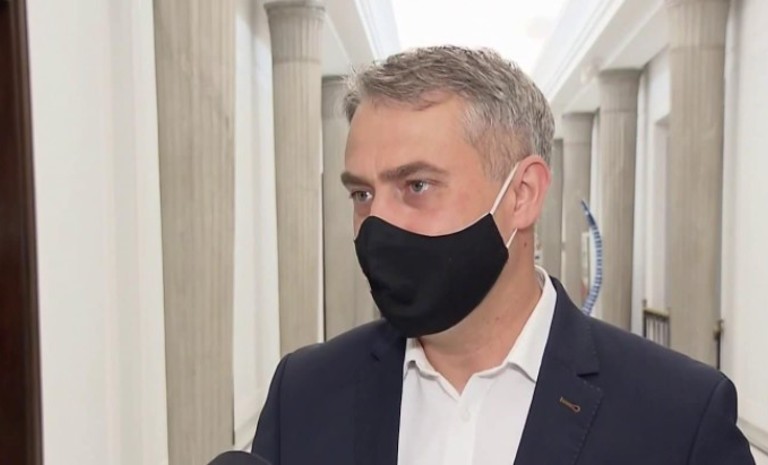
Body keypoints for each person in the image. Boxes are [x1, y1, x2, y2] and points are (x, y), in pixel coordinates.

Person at [251, 46, 755, 465]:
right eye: (362, 194)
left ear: (522, 195)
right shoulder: (304, 394)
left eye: (416, 185)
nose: (376, 223)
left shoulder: (679, 418)